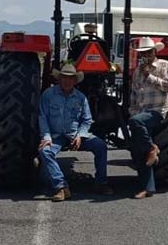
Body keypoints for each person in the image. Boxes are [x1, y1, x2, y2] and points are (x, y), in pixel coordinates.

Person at [37, 63, 112, 200]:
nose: (67, 81)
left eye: (70, 78)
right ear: (59, 79)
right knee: (45, 151)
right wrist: (46, 137)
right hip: (56, 136)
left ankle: (101, 183)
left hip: (74, 135)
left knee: (100, 146)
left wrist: (80, 135)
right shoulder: (48, 95)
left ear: (75, 81)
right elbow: (42, 117)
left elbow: (87, 120)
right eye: (64, 78)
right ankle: (61, 187)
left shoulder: (81, 97)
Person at [129, 37, 168, 199]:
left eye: (149, 52)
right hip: (141, 113)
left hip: (157, 111)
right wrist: (133, 112)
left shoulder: (164, 65)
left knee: (136, 123)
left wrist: (150, 76)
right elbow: (134, 95)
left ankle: (152, 148)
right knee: (138, 149)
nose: (146, 55)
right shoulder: (137, 72)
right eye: (143, 53)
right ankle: (148, 188)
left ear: (155, 52)